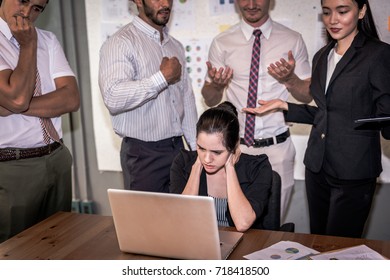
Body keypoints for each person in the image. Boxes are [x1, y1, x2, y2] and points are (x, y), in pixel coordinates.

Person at [243, 0, 390, 238]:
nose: (333, 19)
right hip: (317, 168)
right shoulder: (322, 56)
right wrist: (284, 106)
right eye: (327, 12)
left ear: (361, 11)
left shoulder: (379, 54)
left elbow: (384, 117)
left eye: (342, 11)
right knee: (319, 242)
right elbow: (326, 114)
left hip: (354, 172)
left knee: (340, 250)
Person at [201, 0, 312, 222]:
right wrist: (216, 85)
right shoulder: (222, 42)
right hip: (235, 151)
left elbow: (306, 96)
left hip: (277, 150)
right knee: (233, 223)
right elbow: (210, 99)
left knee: (271, 227)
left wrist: (290, 79)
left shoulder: (292, 39)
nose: (251, 4)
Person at [0, 0, 80, 243]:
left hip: (57, 158)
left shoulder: (48, 39)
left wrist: (14, 107)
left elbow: (71, 99)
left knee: (58, 246)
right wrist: (27, 45)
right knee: (15, 253)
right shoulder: (31, 40)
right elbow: (17, 96)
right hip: (13, 167)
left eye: (37, 8)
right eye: (23, 1)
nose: (26, 13)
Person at [99, 0, 197, 193]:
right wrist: (162, 78)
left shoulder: (175, 46)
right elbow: (112, 97)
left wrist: (195, 150)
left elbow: (186, 98)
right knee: (145, 221)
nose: (164, 3)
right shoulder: (120, 43)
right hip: (143, 154)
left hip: (178, 149)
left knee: (181, 218)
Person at [170, 101, 273, 232]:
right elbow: (181, 219)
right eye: (201, 148)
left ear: (235, 145)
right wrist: (196, 167)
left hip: (245, 244)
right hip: (199, 243)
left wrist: (230, 168)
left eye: (217, 152)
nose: (207, 159)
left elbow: (243, 223)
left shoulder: (258, 167)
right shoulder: (183, 162)